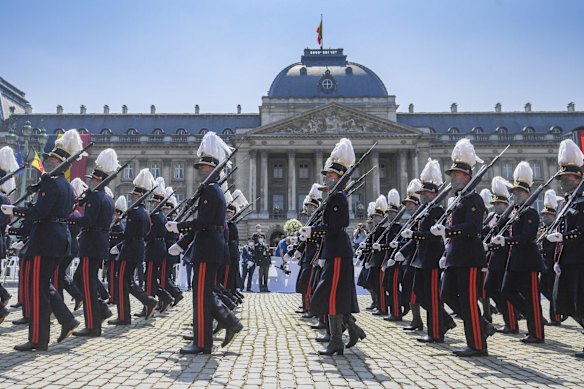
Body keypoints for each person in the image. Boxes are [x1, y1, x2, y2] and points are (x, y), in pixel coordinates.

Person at [2, 129, 84, 351]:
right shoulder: (66, 186)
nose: (47, 160)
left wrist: (15, 210)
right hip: (58, 239)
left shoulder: (50, 183)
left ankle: (38, 339)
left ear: (60, 162)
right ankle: (66, 319)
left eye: (52, 158)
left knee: (38, 290)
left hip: (45, 239)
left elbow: (39, 212)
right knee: (44, 285)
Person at [166, 131, 243, 354]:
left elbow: (204, 222)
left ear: (213, 168)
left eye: (204, 167)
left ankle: (202, 342)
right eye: (200, 167)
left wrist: (179, 228)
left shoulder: (210, 190)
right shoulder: (215, 189)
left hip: (208, 248)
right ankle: (228, 323)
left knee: (201, 294)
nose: (201, 170)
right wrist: (183, 240)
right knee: (205, 292)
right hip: (211, 247)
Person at [300, 138, 364, 356]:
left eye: (330, 175)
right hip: (333, 251)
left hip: (338, 253)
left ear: (339, 178)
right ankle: (349, 331)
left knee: (331, 296)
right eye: (327, 175)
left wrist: (314, 231)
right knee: (330, 296)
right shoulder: (333, 197)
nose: (326, 178)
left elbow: (339, 225)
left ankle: (337, 339)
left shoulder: (338, 198)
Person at [430, 138, 494, 357]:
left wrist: (448, 231)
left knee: (467, 302)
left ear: (468, 177)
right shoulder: (457, 200)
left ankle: (477, 345)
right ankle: (482, 325)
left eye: (457, 175)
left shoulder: (474, 199)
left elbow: (473, 227)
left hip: (469, 257)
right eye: (452, 175)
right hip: (455, 256)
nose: (453, 178)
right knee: (446, 295)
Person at [400, 159, 454, 343]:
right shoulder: (425, 210)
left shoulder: (437, 210)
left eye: (425, 192)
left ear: (433, 193)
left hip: (431, 255)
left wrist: (414, 235)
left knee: (431, 295)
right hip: (422, 257)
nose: (422, 195)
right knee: (420, 293)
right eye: (421, 192)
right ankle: (445, 321)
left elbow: (432, 234)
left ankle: (436, 332)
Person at [494, 161, 545, 344]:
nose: (515, 195)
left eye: (519, 193)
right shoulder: (514, 212)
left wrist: (506, 240)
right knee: (506, 291)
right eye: (514, 192)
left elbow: (527, 236)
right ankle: (532, 316)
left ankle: (537, 332)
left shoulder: (530, 213)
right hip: (514, 260)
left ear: (528, 194)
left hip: (528, 260)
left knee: (532, 298)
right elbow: (500, 228)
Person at [69, 149, 118, 337]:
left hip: (91, 242)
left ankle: (93, 325)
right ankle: (101, 311)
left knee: (87, 283)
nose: (89, 181)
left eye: (92, 179)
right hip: (100, 241)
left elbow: (88, 221)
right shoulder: (107, 197)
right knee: (86, 279)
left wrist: (69, 220)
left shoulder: (95, 197)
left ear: (97, 179)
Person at [545, 139, 584, 358]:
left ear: (577, 177)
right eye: (561, 178)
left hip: (580, 258)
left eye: (567, 178)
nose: (563, 182)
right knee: (566, 302)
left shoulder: (582, 199)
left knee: (580, 302)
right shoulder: (567, 201)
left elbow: (581, 231)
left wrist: (563, 237)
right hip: (567, 259)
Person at [108, 168, 158, 325]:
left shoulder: (134, 212)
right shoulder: (144, 212)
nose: (133, 198)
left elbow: (128, 234)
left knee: (121, 281)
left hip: (129, 249)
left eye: (135, 195)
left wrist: (112, 236)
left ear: (139, 196)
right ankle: (148, 301)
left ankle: (124, 316)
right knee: (128, 281)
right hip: (138, 248)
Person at [483, 177, 519, 334]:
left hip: (505, 258)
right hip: (494, 258)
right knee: (490, 288)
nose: (496, 206)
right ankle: (508, 317)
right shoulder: (495, 218)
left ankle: (512, 322)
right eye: (495, 204)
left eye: (499, 204)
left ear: (506, 205)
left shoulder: (510, 218)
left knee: (504, 290)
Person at [538, 189, 561, 326]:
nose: (544, 217)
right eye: (544, 214)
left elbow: (555, 247)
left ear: (553, 216)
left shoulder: (556, 228)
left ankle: (556, 317)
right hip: (544, 262)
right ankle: (557, 311)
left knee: (553, 289)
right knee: (544, 288)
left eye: (547, 215)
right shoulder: (545, 229)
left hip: (552, 261)